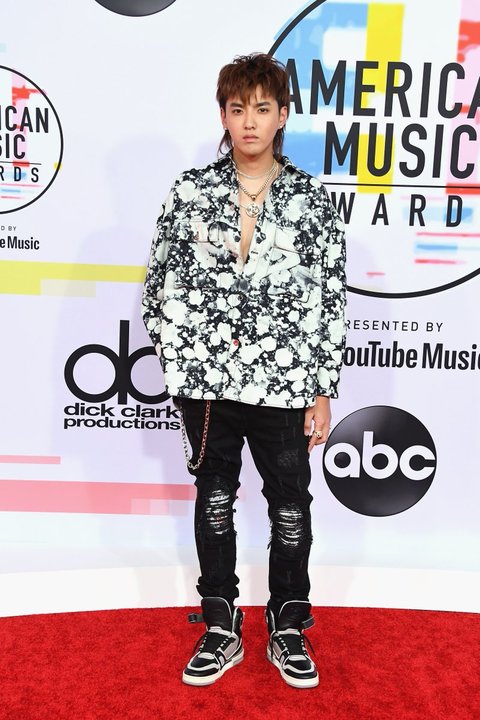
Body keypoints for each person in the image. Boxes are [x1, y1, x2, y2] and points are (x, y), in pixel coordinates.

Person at [142, 53, 346, 689]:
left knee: (290, 508)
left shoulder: (312, 200)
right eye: (238, 109)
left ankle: (288, 624)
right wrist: (182, 358)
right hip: (206, 386)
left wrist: (322, 387)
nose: (250, 121)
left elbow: (330, 298)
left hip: (285, 385)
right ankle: (219, 624)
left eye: (262, 108)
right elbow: (157, 286)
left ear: (283, 115)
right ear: (224, 116)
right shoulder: (189, 192)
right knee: (214, 501)